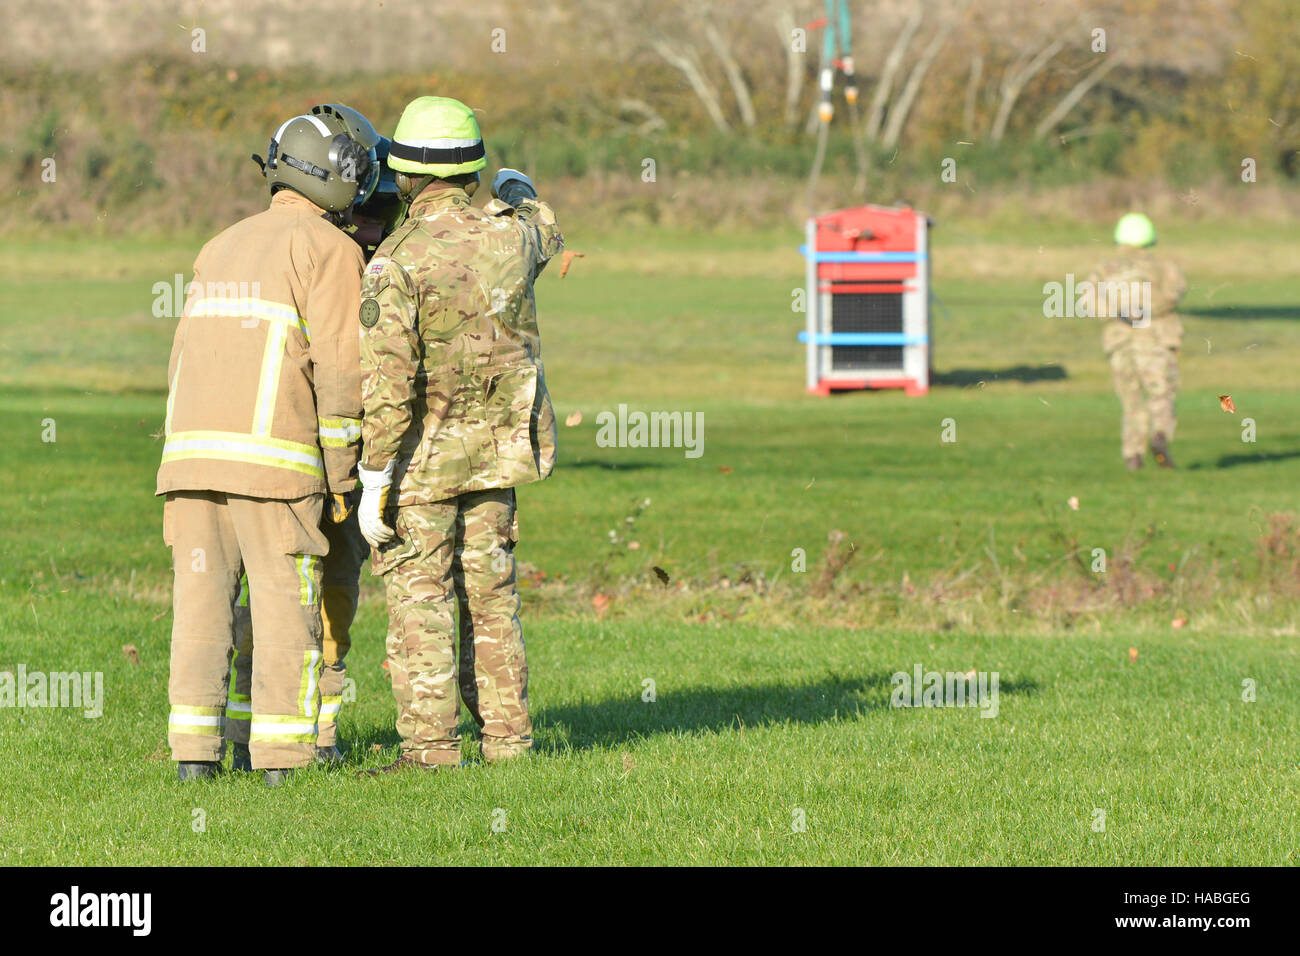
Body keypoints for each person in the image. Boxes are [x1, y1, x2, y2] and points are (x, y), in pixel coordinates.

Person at [158, 107, 376, 785]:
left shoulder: (218, 244)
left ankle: (195, 758)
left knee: (200, 612)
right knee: (287, 615)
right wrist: (343, 475)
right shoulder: (331, 251)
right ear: (338, 173)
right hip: (274, 471)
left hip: (189, 464)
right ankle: (280, 763)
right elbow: (341, 373)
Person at [354, 96, 563, 773]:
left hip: (421, 468)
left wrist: (374, 478)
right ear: (471, 167)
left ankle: (430, 750)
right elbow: (544, 225)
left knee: (423, 602)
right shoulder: (513, 236)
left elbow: (387, 387)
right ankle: (509, 743)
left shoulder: (395, 262)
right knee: (493, 599)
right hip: (498, 460)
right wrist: (514, 188)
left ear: (405, 176)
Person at [225, 106, 398, 770]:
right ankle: (263, 737)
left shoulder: (362, 228)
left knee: (333, 595)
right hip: (299, 454)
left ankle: (314, 732)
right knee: (279, 597)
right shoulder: (310, 244)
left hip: (342, 448)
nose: (366, 230)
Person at [1088, 212, 1187, 470]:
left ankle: (1133, 456)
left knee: (1131, 400)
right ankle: (1160, 436)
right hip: (1155, 338)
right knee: (1161, 392)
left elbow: (1089, 302)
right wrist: (1145, 309)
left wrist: (1119, 312)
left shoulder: (1104, 269)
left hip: (1120, 341)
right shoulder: (1164, 267)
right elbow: (1175, 294)